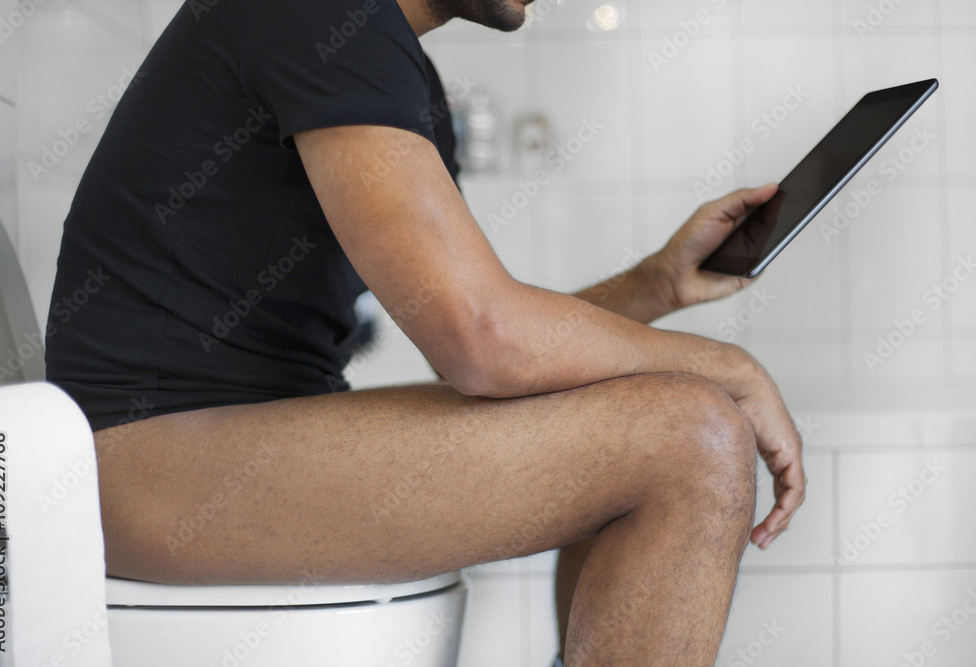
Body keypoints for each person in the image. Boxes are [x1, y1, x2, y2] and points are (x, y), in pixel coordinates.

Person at [44, 0, 807, 664]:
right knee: (692, 438)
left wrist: (658, 282)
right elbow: (483, 341)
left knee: (636, 410)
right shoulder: (317, 15)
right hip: (140, 461)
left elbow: (494, 339)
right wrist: (729, 369)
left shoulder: (397, 72)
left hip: (233, 439)